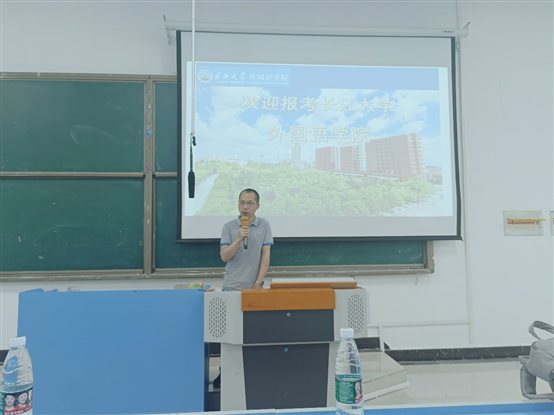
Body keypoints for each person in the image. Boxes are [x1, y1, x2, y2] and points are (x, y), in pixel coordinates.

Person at [220, 188, 273, 291]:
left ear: (257, 206)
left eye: (250, 203)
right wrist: (238, 239)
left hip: (254, 287)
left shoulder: (264, 224)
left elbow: (266, 255)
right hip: (231, 286)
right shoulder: (228, 226)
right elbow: (224, 257)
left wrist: (259, 282)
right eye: (242, 202)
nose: (245, 207)